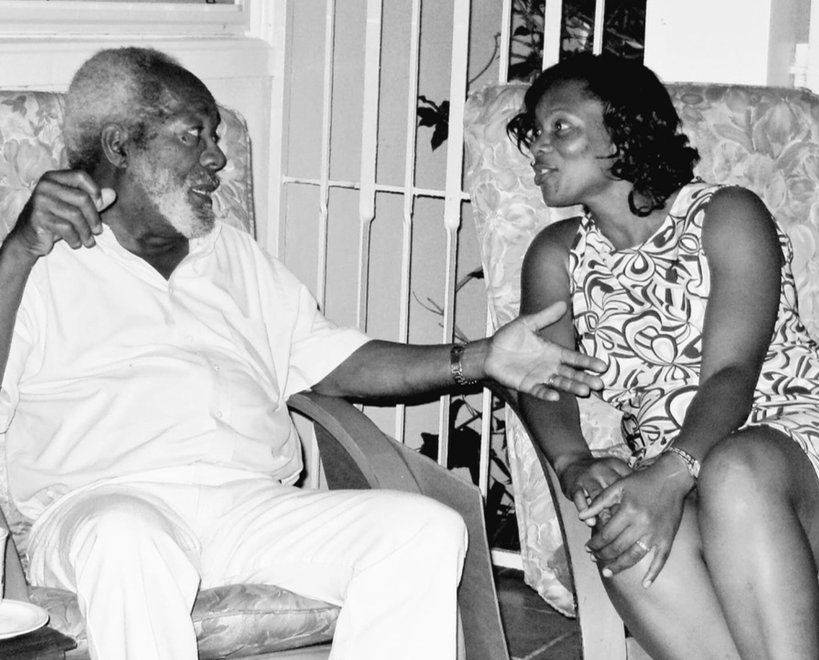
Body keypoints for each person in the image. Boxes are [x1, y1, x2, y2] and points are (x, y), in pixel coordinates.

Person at [0, 47, 609, 660]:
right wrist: (20, 249)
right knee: (128, 538)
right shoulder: (34, 262)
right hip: (103, 507)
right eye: (193, 135)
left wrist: (480, 359)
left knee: (425, 531)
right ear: (119, 145)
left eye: (216, 136)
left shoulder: (232, 254)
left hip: (249, 506)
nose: (216, 158)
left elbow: (334, 361)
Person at [508, 51, 819, 659]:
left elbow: (733, 372)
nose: (538, 147)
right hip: (683, 475)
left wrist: (671, 471)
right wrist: (575, 462)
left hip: (810, 451)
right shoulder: (556, 256)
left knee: (735, 468)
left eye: (561, 127)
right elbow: (541, 377)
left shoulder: (726, 215)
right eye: (534, 132)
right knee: (624, 529)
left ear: (622, 133)